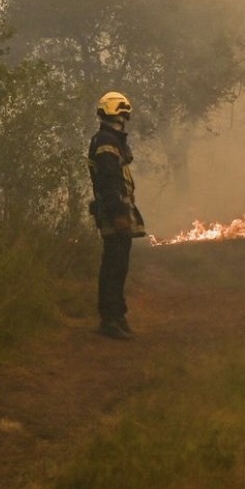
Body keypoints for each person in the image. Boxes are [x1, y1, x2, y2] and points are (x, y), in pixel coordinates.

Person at [88, 90, 146, 339]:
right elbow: (110, 182)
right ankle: (110, 319)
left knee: (118, 265)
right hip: (114, 212)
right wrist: (120, 213)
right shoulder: (106, 142)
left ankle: (116, 315)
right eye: (123, 114)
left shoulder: (108, 140)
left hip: (116, 209)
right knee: (114, 265)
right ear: (119, 114)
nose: (124, 120)